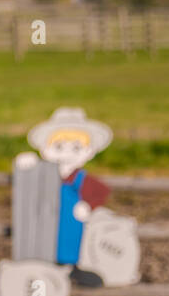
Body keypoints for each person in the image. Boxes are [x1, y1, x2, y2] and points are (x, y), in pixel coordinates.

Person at [15, 107, 112, 285]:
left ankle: (71, 267)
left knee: (71, 239)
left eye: (76, 147)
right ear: (46, 148)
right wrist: (27, 164)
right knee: (45, 240)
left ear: (88, 151)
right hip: (44, 219)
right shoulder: (44, 173)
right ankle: (45, 269)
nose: (67, 153)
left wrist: (89, 206)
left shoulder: (79, 178)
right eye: (59, 146)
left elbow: (100, 191)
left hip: (70, 219)